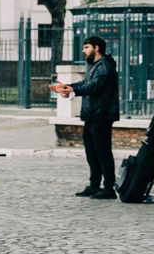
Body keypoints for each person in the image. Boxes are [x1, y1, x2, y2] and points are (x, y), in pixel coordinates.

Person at [52, 36, 121, 199]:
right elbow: (86, 83)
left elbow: (93, 86)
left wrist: (72, 89)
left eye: (87, 47)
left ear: (97, 48)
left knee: (102, 152)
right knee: (92, 152)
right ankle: (95, 185)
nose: (84, 51)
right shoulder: (96, 66)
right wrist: (69, 88)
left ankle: (109, 188)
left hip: (101, 115)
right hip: (92, 115)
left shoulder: (104, 66)